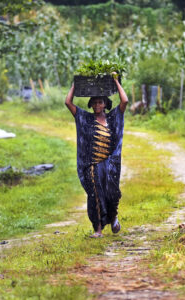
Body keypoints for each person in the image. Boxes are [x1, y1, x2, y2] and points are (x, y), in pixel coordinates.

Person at [65, 73, 128, 238]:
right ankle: (98, 230)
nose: (97, 105)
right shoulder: (85, 118)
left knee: (112, 194)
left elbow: (125, 101)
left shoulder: (113, 118)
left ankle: (113, 217)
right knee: (95, 196)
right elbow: (68, 102)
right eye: (94, 102)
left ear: (105, 103)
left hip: (110, 165)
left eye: (100, 102)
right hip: (92, 165)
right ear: (91, 104)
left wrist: (115, 80)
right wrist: (76, 84)